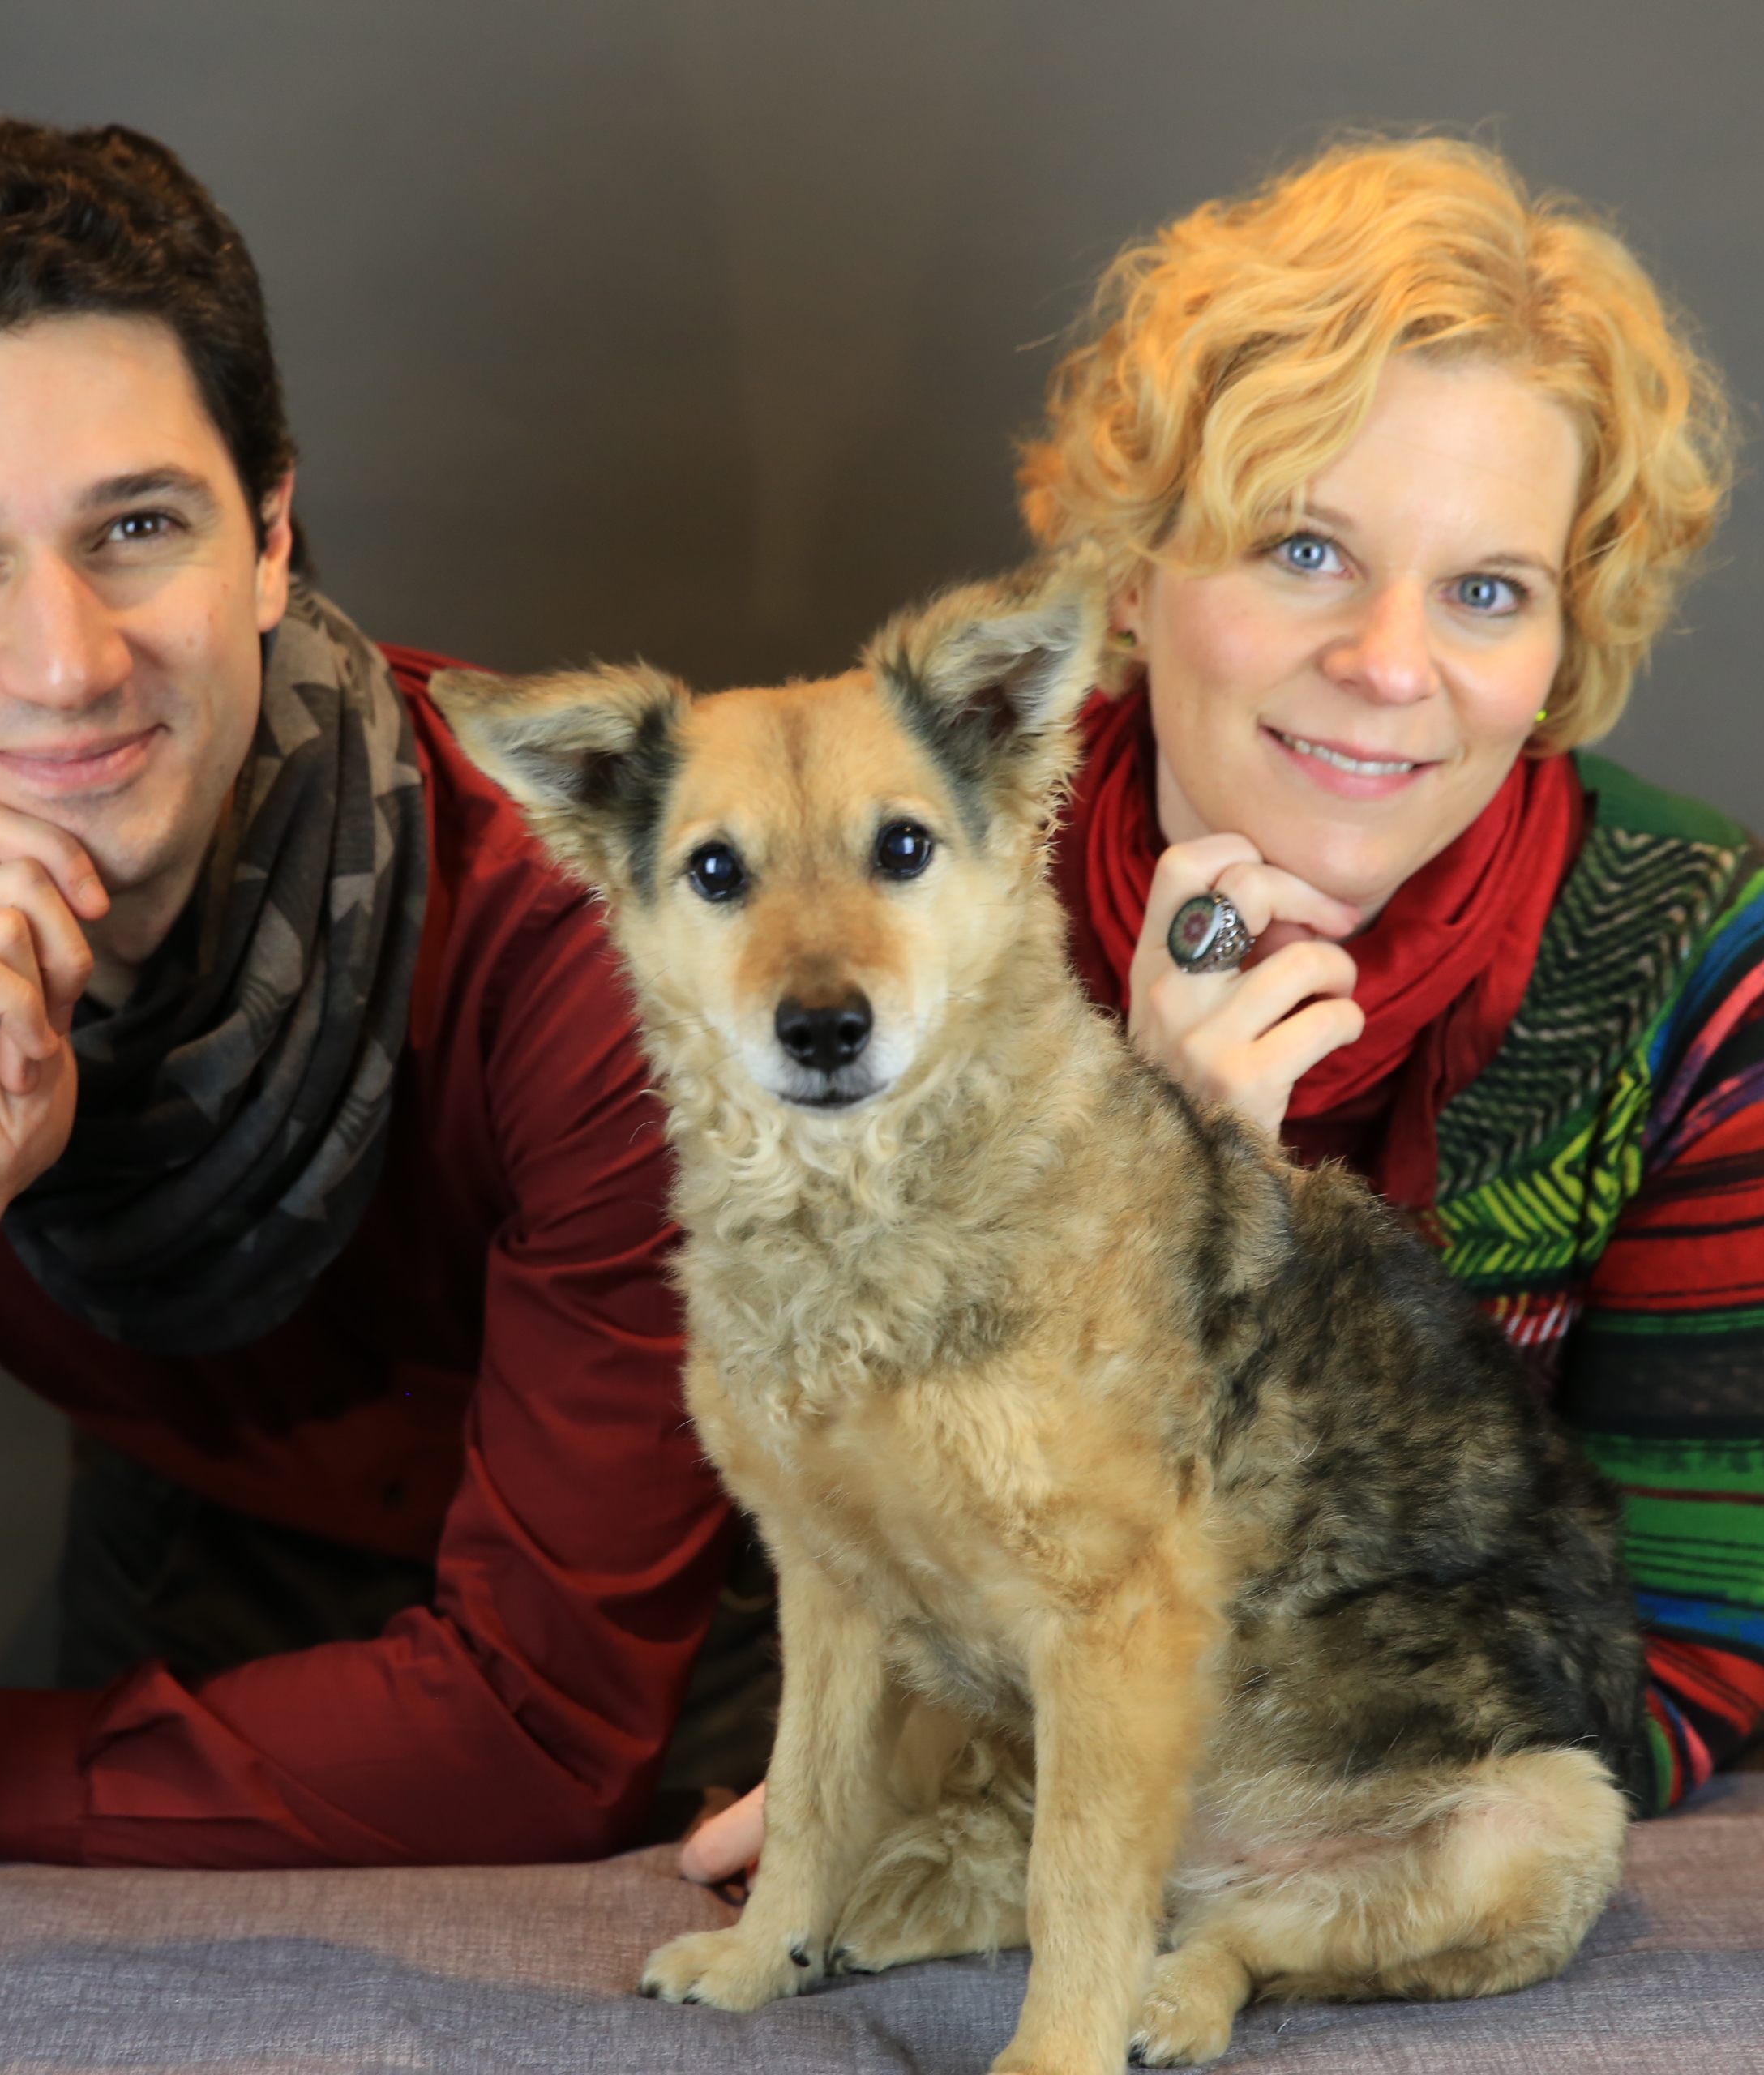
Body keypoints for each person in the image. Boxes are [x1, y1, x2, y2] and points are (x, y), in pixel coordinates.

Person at [0, 113, 760, 1924]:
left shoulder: (586, 931)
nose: (64, 662)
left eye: (136, 525)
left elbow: (541, 1717)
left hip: (680, 1622)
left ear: (269, 533)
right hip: (186, 1574)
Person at [683, 134, 1762, 1887]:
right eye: (1305, 550)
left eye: (1484, 590)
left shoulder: (1702, 970)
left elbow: (1676, 1665)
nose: (1392, 665)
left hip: (1370, 1850)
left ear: (1559, 649)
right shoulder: (884, 901)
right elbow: (783, 1543)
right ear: (1127, 576)